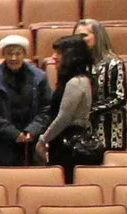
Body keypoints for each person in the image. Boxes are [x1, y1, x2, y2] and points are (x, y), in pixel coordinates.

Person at [41, 33, 105, 183]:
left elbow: (64, 117)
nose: (53, 57)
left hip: (69, 146)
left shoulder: (76, 82)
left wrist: (43, 139)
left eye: (59, 52)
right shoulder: (78, 80)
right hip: (64, 142)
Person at [78, 19, 127, 156]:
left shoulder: (114, 63)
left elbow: (119, 97)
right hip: (86, 133)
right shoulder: (80, 65)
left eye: (84, 35)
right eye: (77, 36)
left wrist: (89, 110)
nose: (80, 40)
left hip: (112, 132)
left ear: (98, 36)